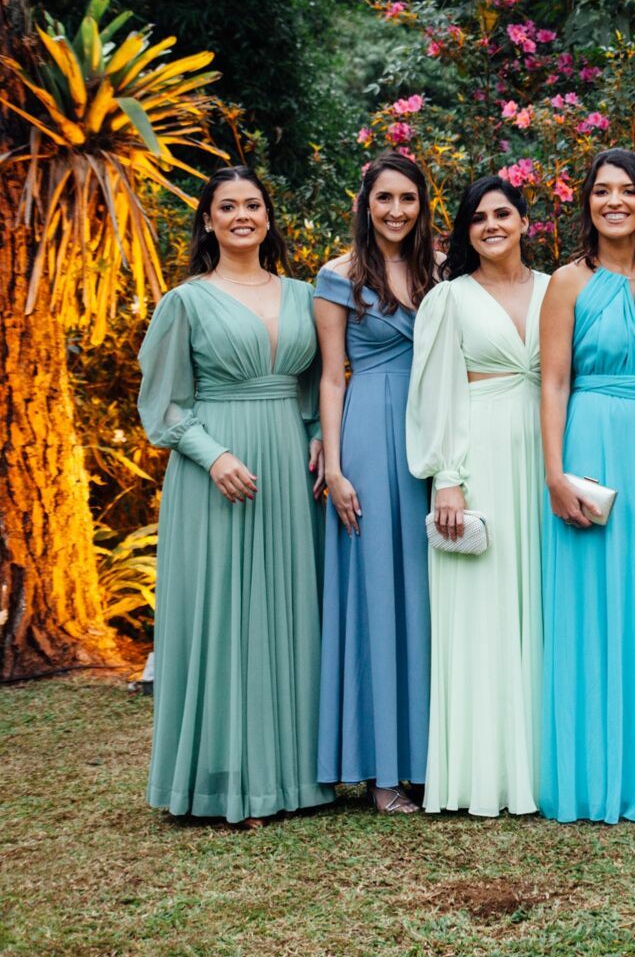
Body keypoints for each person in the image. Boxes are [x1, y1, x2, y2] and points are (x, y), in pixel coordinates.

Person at [139, 166, 332, 824]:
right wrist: (212, 454)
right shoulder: (186, 302)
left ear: (268, 217)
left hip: (290, 470)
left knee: (289, 613)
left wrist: (318, 436)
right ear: (209, 221)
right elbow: (163, 404)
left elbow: (319, 384)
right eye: (228, 206)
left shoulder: (306, 295)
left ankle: (294, 779)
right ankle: (224, 781)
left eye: (253, 204)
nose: (242, 215)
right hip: (216, 475)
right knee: (222, 617)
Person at [536, 150, 635, 822]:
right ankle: (594, 770)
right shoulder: (567, 282)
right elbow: (553, 383)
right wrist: (554, 473)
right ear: (587, 203)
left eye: (627, 190)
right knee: (591, 602)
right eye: (602, 191)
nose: (614, 202)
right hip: (590, 441)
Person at [406, 175, 549, 817]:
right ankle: (482, 772)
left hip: (544, 456)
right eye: (478, 218)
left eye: (502, 214)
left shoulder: (556, 288)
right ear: (466, 231)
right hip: (480, 457)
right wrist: (447, 477)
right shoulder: (449, 298)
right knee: (483, 609)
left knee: (538, 604)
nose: (492, 225)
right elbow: (436, 392)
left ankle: (539, 765)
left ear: (524, 221)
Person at [315, 151, 437, 814]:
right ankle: (382, 770)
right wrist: (335, 467)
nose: (395, 210)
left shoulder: (439, 270)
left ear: (422, 206)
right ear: (365, 204)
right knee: (377, 593)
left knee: (425, 593)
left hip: (430, 434)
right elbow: (332, 376)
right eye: (384, 198)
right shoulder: (339, 277)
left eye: (407, 199)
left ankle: (427, 759)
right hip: (367, 430)